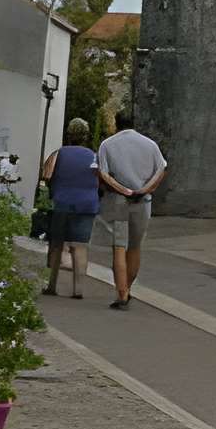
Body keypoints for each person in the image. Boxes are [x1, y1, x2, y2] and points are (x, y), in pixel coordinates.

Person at [94, 109, 170, 310]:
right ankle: (127, 287)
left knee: (119, 246)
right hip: (143, 201)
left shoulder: (107, 144)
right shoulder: (150, 144)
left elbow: (102, 173)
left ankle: (121, 293)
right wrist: (145, 189)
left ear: (116, 123)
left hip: (118, 201)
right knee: (135, 246)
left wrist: (123, 189)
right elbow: (161, 170)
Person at [41, 120, 101, 300]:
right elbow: (101, 178)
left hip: (62, 202)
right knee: (80, 246)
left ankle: (52, 286)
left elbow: (46, 175)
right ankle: (78, 290)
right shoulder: (95, 156)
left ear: (68, 134)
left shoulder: (58, 154)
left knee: (58, 244)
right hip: (87, 204)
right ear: (86, 136)